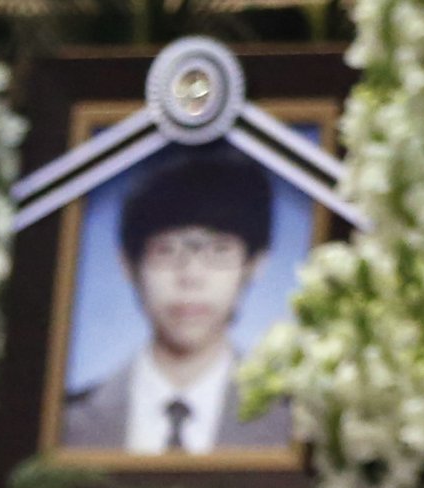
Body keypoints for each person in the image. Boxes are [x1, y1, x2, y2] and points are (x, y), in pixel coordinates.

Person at [60, 148, 292, 456]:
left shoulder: (294, 422)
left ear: (255, 264)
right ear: (128, 265)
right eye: (166, 251)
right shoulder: (65, 422)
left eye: (218, 251)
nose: (191, 277)